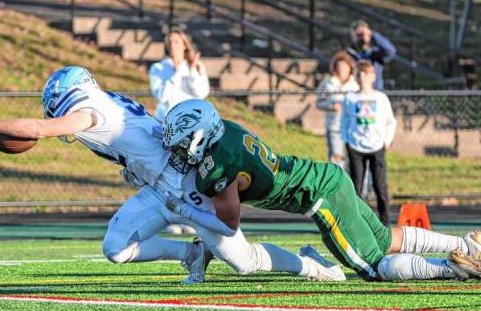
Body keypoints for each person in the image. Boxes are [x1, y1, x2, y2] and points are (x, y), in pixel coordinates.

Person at [0, 66, 345, 285]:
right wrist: (134, 168)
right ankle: (191, 255)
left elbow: (41, 129)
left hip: (186, 186)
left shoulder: (89, 109)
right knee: (116, 249)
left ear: (66, 95)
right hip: (159, 187)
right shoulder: (104, 102)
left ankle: (314, 266)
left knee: (244, 262)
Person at [161, 98, 481, 282]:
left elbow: (228, 223)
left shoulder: (216, 166)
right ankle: (466, 244)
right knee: (385, 239)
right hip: (330, 176)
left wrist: (184, 210)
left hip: (320, 196)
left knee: (374, 267)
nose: (178, 152)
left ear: (200, 137)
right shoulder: (226, 130)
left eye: (181, 144)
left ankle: (450, 268)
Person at [341, 60, 397, 226]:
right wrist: (347, 140)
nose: (361, 77)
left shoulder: (380, 98)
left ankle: (385, 225)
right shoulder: (350, 98)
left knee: (380, 187)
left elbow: (391, 122)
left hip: (377, 147)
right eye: (358, 73)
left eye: (365, 73)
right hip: (355, 147)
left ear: (373, 76)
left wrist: (386, 141)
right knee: (356, 188)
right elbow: (344, 121)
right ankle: (355, 224)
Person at [149, 28, 210, 122]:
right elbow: (162, 97)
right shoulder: (158, 68)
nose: (172, 45)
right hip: (165, 123)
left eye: (176, 42)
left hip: (191, 122)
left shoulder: (197, 65)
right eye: (169, 42)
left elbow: (201, 93)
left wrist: (192, 71)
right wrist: (176, 74)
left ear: (184, 45)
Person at [316, 51, 359, 169]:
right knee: (337, 159)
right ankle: (337, 186)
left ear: (349, 68)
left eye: (344, 67)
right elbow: (319, 102)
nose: (342, 70)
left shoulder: (355, 83)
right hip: (334, 126)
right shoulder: (328, 82)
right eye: (339, 67)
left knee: (354, 160)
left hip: (352, 127)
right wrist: (331, 105)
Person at [346, 20, 396, 90]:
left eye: (364, 34)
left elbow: (390, 50)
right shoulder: (348, 55)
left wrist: (372, 34)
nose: (362, 37)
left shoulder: (375, 54)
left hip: (375, 92)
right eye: (359, 35)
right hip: (354, 92)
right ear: (353, 36)